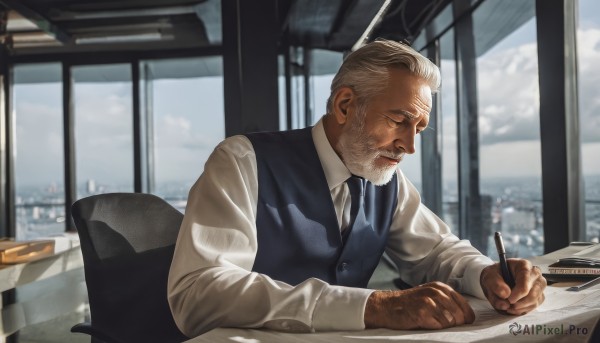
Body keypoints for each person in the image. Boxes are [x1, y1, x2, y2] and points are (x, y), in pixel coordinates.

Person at [167, 39, 546, 338]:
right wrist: (373, 306)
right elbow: (198, 292)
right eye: (399, 121)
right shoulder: (241, 161)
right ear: (345, 105)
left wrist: (486, 274)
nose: (409, 146)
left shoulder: (385, 176)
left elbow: (436, 252)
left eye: (419, 129)